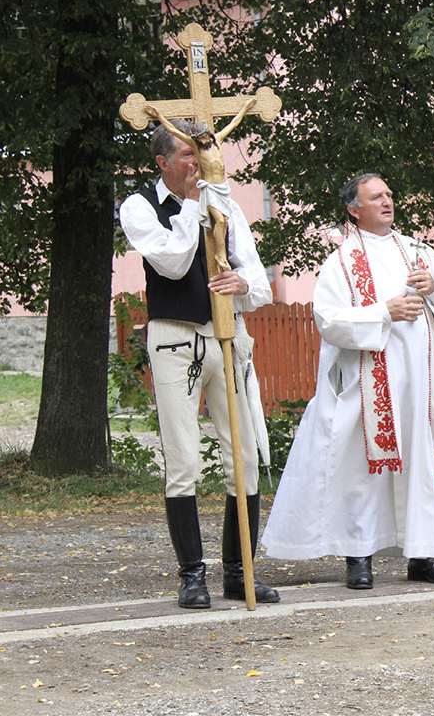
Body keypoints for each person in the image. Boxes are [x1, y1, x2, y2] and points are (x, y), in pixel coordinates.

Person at [261, 174, 434, 590]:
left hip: (418, 381)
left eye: (389, 195)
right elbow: (329, 320)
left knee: (420, 463)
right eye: (376, 197)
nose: (387, 202)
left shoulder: (416, 250)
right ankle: (359, 557)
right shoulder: (341, 260)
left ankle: (423, 554)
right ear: (354, 209)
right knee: (362, 470)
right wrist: (384, 312)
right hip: (368, 381)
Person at [119, 119, 277, 609]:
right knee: (184, 460)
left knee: (245, 458)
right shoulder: (140, 205)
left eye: (201, 154)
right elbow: (171, 261)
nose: (198, 163)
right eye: (187, 155)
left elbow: (260, 280)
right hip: (174, 338)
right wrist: (192, 204)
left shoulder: (225, 205)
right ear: (163, 162)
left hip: (228, 335)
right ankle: (192, 576)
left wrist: (244, 285)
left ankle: (239, 572)